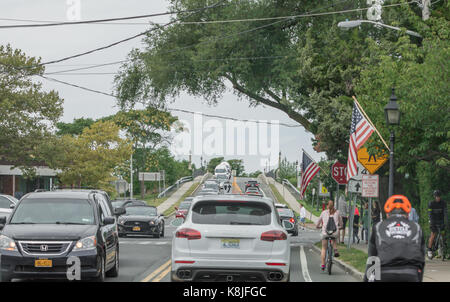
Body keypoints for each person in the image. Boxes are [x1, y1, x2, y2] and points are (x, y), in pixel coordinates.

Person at [364, 195, 425, 282]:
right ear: (408, 214)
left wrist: (366, 279)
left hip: (384, 273)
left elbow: (372, 258)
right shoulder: (417, 227)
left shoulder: (378, 227)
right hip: (410, 274)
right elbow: (421, 259)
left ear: (387, 213)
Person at [316, 200, 343, 271]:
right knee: (333, 239)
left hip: (325, 232)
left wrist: (318, 226)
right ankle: (335, 250)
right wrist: (340, 227)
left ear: (327, 206)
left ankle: (322, 264)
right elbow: (341, 223)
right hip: (334, 232)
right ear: (333, 205)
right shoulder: (337, 212)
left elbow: (317, 223)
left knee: (324, 248)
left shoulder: (323, 213)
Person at [427, 190, 448, 259]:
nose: (438, 198)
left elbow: (445, 213)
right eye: (436, 197)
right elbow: (430, 214)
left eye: (439, 197)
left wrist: (446, 221)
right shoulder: (431, 203)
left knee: (443, 234)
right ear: (434, 197)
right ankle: (429, 250)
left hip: (441, 221)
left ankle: (442, 249)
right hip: (433, 221)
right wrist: (431, 221)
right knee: (433, 234)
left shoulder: (443, 203)